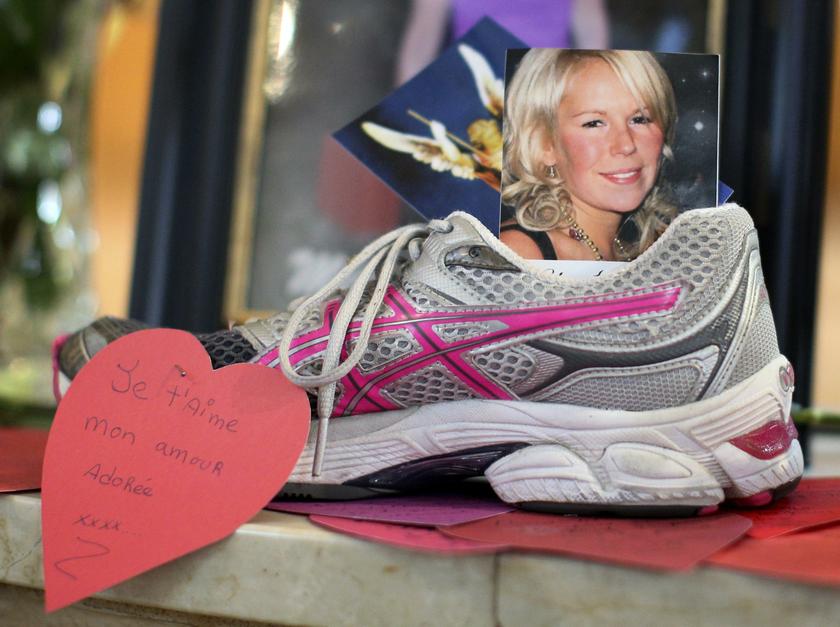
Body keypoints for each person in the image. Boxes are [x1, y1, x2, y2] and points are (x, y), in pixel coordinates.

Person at [501, 49, 678, 261]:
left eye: (640, 119)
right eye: (594, 123)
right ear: (545, 145)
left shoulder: (660, 249)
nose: (626, 145)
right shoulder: (519, 253)